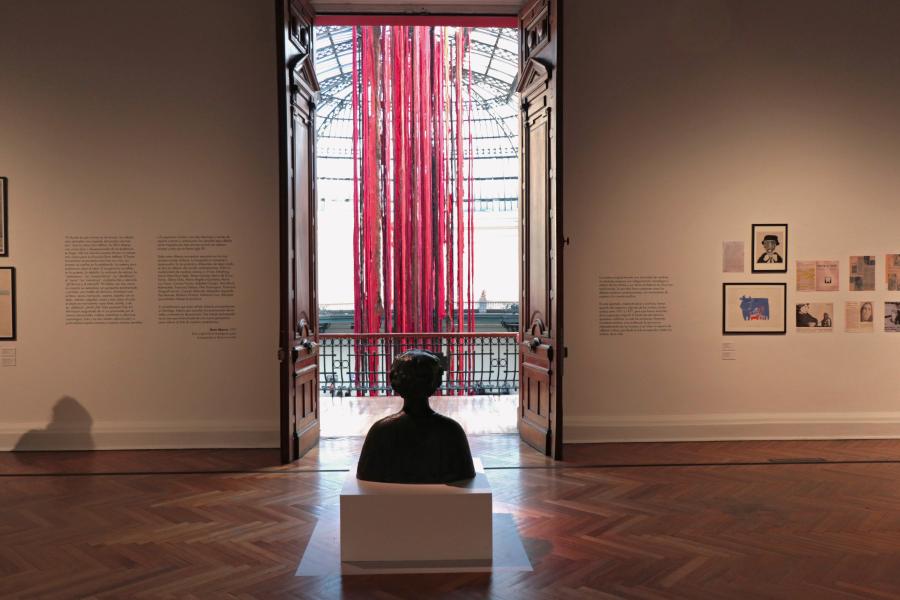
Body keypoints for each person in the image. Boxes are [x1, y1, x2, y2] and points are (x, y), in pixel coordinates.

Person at [356, 349, 476, 484]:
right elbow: (464, 471)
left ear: (394, 381)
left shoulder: (380, 431)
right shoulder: (452, 430)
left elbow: (367, 472)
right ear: (436, 382)